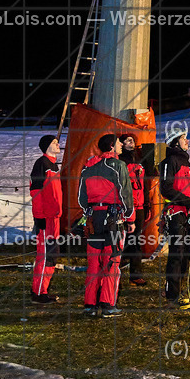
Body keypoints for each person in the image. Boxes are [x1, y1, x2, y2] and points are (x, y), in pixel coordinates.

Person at [78, 134, 135, 318]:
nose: (121, 145)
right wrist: (130, 217)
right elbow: (126, 193)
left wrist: (91, 211)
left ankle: (90, 305)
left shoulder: (88, 167)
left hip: (94, 219)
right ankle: (108, 304)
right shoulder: (118, 165)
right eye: (118, 142)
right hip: (113, 220)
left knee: (94, 263)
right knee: (112, 262)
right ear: (111, 146)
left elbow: (81, 199)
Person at [159, 122, 190, 311]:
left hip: (187, 215)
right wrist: (186, 201)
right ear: (175, 142)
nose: (187, 141)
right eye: (183, 138)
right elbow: (166, 188)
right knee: (177, 254)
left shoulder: (186, 163)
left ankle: (181, 290)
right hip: (175, 214)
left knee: (186, 255)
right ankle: (172, 294)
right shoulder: (169, 162)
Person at [29, 135, 62, 304]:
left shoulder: (54, 165)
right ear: (47, 146)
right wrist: (39, 217)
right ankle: (38, 293)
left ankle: (43, 289)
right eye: (54, 142)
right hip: (45, 220)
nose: (58, 144)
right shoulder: (41, 164)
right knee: (45, 255)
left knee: (52, 255)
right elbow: (36, 192)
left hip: (54, 218)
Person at [120, 132, 149, 287]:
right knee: (120, 239)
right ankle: (113, 271)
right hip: (125, 206)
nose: (131, 142)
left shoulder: (139, 160)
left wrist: (147, 204)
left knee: (136, 239)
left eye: (132, 140)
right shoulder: (119, 161)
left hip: (139, 206)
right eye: (127, 140)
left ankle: (136, 275)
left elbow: (145, 185)